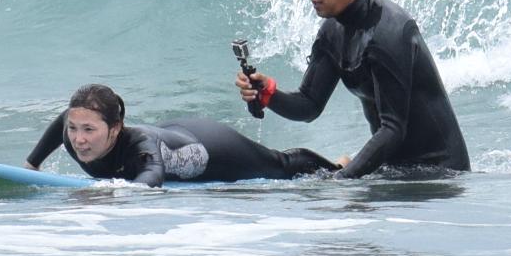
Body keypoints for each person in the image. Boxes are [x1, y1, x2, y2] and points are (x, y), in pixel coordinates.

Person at [234, 0, 471, 178]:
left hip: (438, 175)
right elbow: (309, 104)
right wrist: (268, 94)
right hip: (392, 168)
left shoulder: (389, 33)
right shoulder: (333, 30)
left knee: (328, 189)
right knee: (299, 163)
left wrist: (343, 180)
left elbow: (393, 128)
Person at [25, 82, 334, 187]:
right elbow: (62, 122)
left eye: (89, 130)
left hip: (207, 146)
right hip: (173, 130)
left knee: (278, 166)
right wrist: (32, 165)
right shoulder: (72, 128)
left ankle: (339, 171)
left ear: (116, 128)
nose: (78, 139)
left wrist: (112, 196)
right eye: (75, 129)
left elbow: (153, 176)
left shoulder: (138, 146)